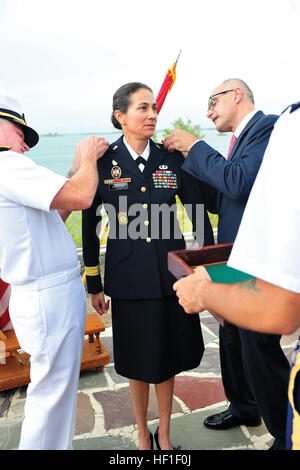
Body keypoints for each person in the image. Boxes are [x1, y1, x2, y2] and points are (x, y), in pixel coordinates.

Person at [82, 82, 214, 450]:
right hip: (127, 278)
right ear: (120, 116)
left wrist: (206, 267)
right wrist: (94, 283)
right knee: (136, 359)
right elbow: (91, 228)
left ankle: (166, 433)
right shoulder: (103, 162)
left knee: (167, 357)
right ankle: (143, 433)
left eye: (154, 107)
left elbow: (197, 213)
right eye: (142, 108)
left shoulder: (172, 158)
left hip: (171, 277)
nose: (153, 114)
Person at [163, 79, 290, 450]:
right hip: (233, 257)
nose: (208, 112)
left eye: (213, 102)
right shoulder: (237, 145)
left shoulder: (267, 129)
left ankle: (287, 433)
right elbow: (222, 200)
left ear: (237, 95)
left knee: (258, 346)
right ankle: (245, 406)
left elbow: (237, 182)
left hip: (259, 262)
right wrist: (183, 163)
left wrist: (195, 146)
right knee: (232, 340)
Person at [0, 95, 109, 450]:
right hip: (47, 295)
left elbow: (55, 214)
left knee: (55, 392)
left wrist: (75, 169)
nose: (25, 146)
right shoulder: (7, 166)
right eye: (21, 133)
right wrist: (88, 157)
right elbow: (81, 197)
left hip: (41, 293)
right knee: (51, 396)